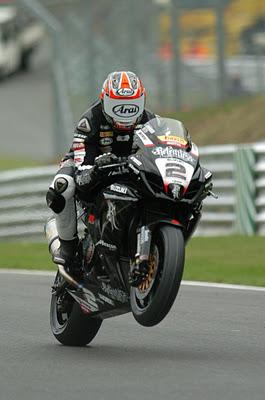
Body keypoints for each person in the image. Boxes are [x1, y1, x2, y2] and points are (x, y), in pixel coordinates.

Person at [46, 71, 155, 275]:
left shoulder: (151, 121)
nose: (125, 114)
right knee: (62, 185)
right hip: (92, 167)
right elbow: (82, 173)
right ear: (104, 100)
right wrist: (96, 169)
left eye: (132, 106)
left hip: (131, 169)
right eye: (118, 107)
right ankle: (68, 246)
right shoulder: (90, 120)